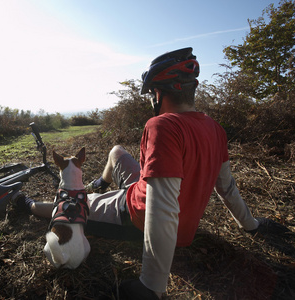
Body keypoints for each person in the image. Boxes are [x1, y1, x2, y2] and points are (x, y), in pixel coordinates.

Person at [15, 47, 261, 299]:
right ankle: (101, 182)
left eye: (151, 95)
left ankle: (25, 203)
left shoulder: (162, 125)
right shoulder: (216, 130)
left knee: (71, 204)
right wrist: (251, 225)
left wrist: (152, 286)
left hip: (132, 215)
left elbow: (162, 208)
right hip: (143, 189)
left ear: (158, 93)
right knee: (117, 151)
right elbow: (227, 187)